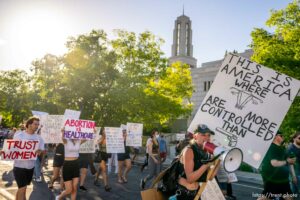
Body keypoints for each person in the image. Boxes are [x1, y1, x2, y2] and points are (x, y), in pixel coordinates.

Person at [176, 124, 216, 200]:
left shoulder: (205, 152)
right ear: (195, 136)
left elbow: (211, 176)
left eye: (208, 135)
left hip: (197, 193)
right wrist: (206, 164)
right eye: (203, 135)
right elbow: (190, 179)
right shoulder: (189, 150)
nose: (207, 138)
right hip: (185, 193)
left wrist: (218, 160)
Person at [12, 117, 44, 200]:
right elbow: (12, 149)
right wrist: (5, 152)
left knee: (23, 188)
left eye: (38, 124)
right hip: (19, 167)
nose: (37, 126)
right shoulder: (19, 135)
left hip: (30, 167)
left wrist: (40, 151)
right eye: (35, 124)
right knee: (22, 189)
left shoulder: (39, 138)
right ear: (29, 125)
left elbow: (43, 151)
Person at [259, 131, 295, 200]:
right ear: (275, 136)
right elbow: (274, 163)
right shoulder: (272, 147)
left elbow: (290, 163)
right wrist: (287, 161)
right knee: (265, 197)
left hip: (283, 180)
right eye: (281, 135)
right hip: (273, 179)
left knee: (289, 198)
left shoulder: (283, 149)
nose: (283, 137)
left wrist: (293, 176)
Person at [55, 128, 87, 200]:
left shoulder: (79, 140)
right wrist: (63, 131)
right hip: (67, 165)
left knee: (75, 187)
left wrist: (92, 131)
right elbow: (63, 138)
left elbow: (88, 137)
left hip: (76, 164)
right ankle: (59, 198)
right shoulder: (66, 140)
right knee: (69, 190)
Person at [287, 131, 300, 196]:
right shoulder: (291, 148)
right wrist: (293, 176)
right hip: (295, 173)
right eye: (299, 138)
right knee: (294, 192)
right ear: (294, 138)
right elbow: (291, 164)